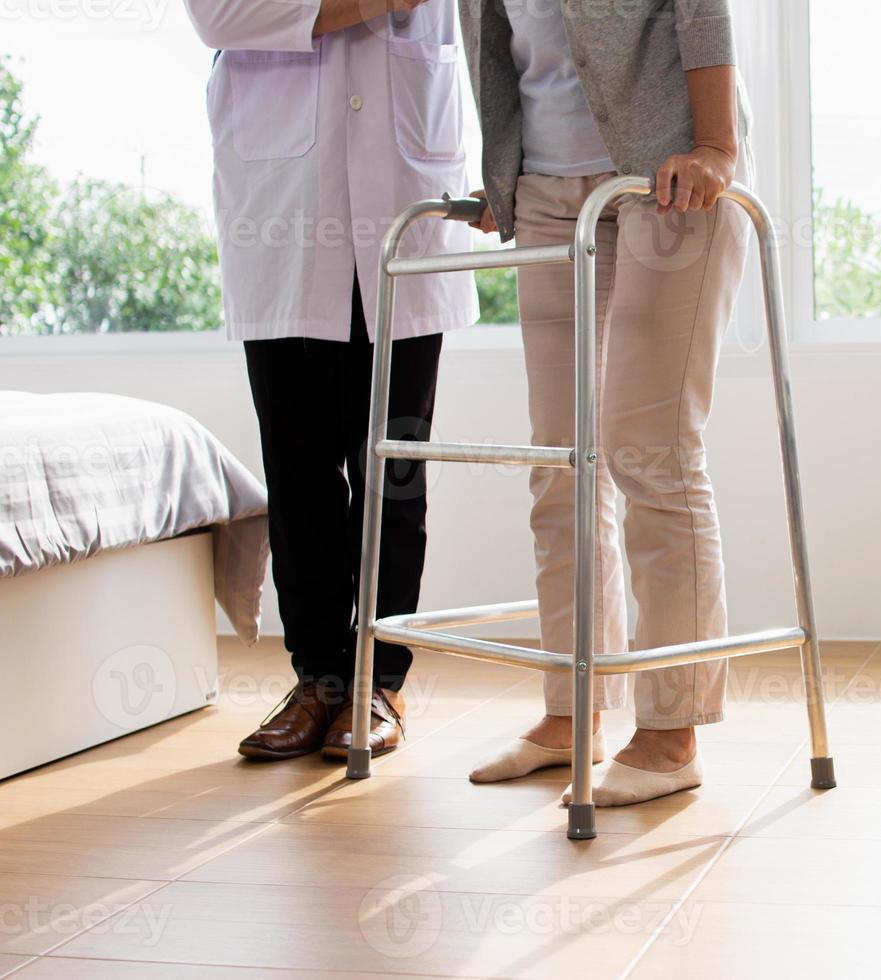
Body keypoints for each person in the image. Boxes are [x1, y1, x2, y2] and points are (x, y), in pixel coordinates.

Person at [462, 0, 752, 805]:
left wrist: (717, 146)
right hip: (547, 195)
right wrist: (504, 174)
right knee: (559, 463)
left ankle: (671, 728)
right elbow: (502, 51)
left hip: (668, 178)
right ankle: (571, 712)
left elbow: (701, 14)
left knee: (650, 450)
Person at [184, 0, 479, 760]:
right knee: (299, 469)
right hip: (282, 215)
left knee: (394, 471)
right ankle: (317, 679)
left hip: (404, 198)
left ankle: (379, 680)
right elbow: (217, 14)